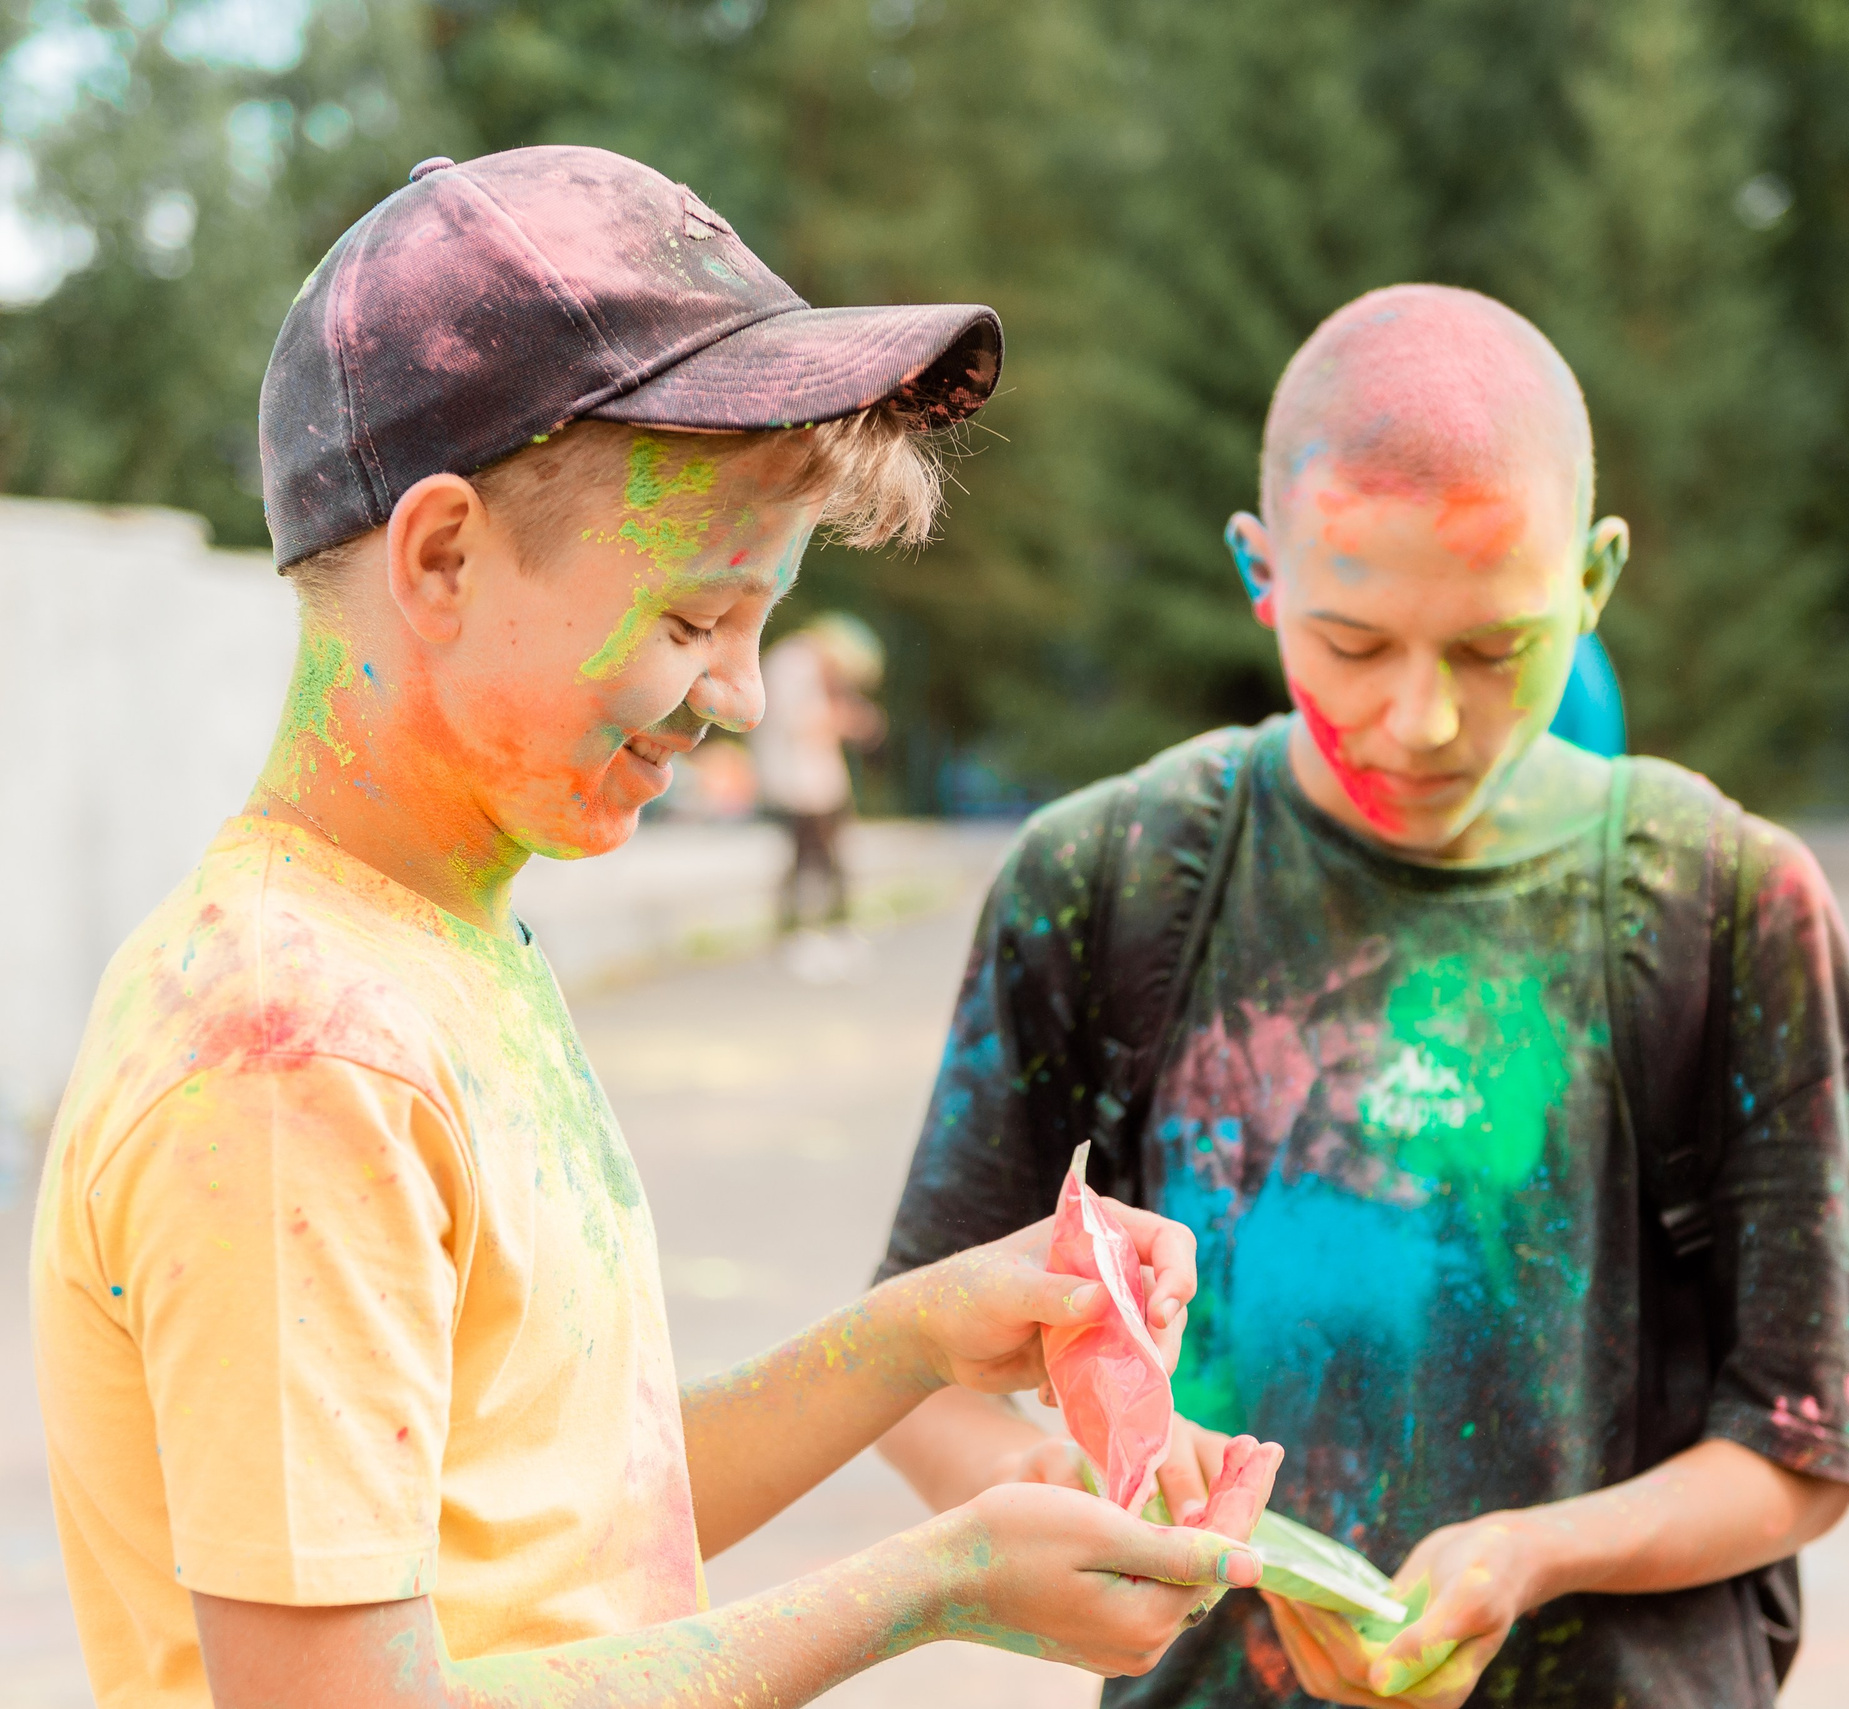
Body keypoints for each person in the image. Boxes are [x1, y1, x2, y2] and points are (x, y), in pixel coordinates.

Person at [28, 145, 1279, 1709]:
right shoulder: (297, 1056)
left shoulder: (444, 947)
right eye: (693, 619)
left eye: (759, 624)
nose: (743, 696)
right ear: (441, 556)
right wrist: (928, 1585)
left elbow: (553, 1519)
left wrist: (911, 1337)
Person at [874, 284, 1849, 1709]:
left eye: (1496, 649)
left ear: (1594, 582)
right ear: (1261, 575)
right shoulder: (1106, 878)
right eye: (1352, 644)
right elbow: (916, 1367)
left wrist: (1535, 1555)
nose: (1418, 721)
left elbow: (1807, 1438)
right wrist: (1094, 1492)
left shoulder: (1725, 900)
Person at [755, 611, 888, 939]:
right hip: (796, 782)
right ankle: (801, 930)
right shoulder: (793, 663)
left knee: (825, 856)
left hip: (816, 783)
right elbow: (796, 721)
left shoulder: (810, 668)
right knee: (808, 856)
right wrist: (848, 721)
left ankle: (823, 925)